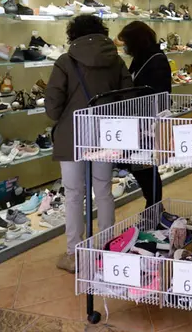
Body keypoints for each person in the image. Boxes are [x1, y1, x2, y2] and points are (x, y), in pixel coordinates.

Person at [45, 14, 133, 272]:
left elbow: (52, 107)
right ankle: (107, 248)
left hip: (72, 135)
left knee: (74, 194)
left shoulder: (65, 61)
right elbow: (128, 96)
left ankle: (75, 253)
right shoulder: (115, 60)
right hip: (106, 134)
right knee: (103, 191)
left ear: (73, 34)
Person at [117, 21, 172, 208]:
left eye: (126, 42)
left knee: (145, 167)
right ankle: (154, 208)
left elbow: (157, 93)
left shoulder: (154, 60)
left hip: (147, 123)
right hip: (141, 122)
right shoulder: (145, 57)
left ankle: (155, 208)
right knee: (143, 167)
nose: (124, 47)